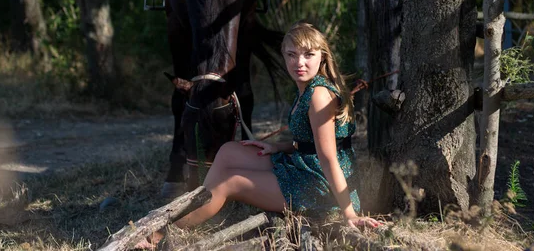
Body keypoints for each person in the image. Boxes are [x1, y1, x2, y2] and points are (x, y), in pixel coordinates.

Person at [137, 22, 380, 248]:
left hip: (322, 189)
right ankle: (202, 204)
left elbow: (328, 158)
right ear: (284, 55)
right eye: (291, 54)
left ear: (322, 56)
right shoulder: (306, 87)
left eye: (308, 55)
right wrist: (280, 147)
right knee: (229, 151)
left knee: (231, 181)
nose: (300, 62)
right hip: (306, 165)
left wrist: (350, 213)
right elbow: (312, 143)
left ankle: (158, 235)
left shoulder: (318, 95)